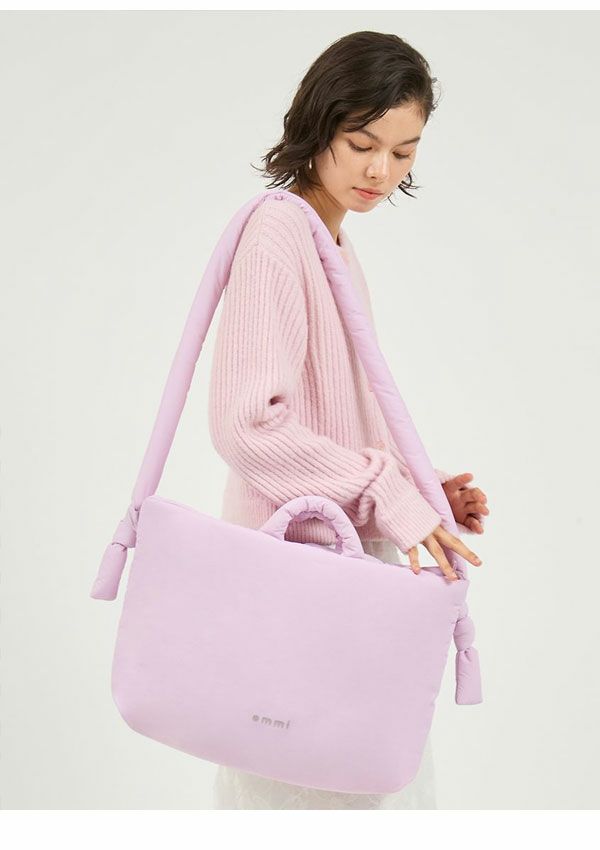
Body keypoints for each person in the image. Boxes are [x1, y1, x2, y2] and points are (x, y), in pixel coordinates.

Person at [207, 29, 489, 809]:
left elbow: (331, 423)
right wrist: (384, 491)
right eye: (362, 143)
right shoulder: (277, 233)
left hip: (335, 579)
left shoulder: (329, 241)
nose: (379, 172)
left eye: (403, 153)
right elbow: (245, 425)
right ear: (319, 123)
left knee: (367, 789)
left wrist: (419, 488)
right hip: (297, 586)